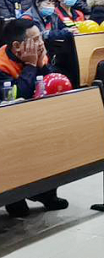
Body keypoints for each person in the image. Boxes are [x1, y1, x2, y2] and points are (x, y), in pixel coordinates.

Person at [0, 19, 69, 216]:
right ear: (17, 46)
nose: (41, 43)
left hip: (38, 118)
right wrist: (31, 65)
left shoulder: (38, 55)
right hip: (8, 126)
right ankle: (15, 198)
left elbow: (52, 83)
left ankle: (46, 193)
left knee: (51, 144)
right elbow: (15, 95)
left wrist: (41, 66)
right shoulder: (1, 64)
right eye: (36, 39)